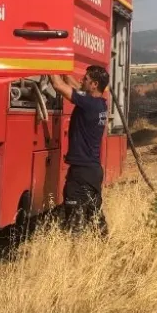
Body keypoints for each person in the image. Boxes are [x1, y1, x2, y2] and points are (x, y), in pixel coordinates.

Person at [50, 65, 110, 236]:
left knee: (74, 220)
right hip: (93, 171)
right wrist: (63, 67)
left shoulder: (88, 104)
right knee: (95, 216)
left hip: (81, 172)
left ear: (94, 84)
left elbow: (58, 85)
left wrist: (47, 62)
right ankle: (103, 248)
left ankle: (76, 256)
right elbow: (74, 85)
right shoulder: (99, 103)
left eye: (86, 79)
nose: (82, 80)